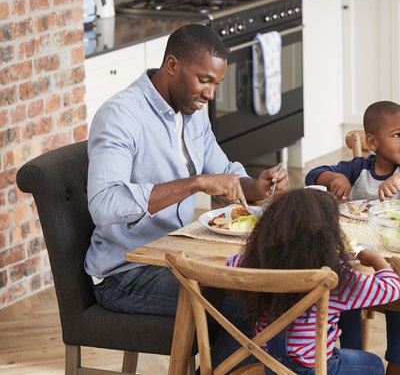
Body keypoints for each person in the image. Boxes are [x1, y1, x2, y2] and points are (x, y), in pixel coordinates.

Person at [85, 24, 288, 368]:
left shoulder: (192, 113)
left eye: (216, 84)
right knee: (251, 305)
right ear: (173, 65)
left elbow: (225, 177)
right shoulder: (120, 116)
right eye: (204, 80)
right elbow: (104, 205)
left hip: (176, 254)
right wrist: (195, 183)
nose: (210, 93)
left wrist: (259, 186)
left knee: (270, 288)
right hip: (126, 273)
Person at [304, 100, 400, 375]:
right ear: (373, 142)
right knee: (347, 293)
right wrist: (335, 178)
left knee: (397, 300)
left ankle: (397, 363)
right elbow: (312, 174)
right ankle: (354, 356)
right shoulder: (359, 169)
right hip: (357, 255)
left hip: (398, 256)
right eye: (397, 135)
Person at [225, 188, 400, 374]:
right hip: (317, 368)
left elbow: (230, 261)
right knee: (373, 364)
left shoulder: (250, 265)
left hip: (270, 364)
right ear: (329, 235)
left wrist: (262, 251)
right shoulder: (335, 278)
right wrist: (376, 260)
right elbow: (392, 288)